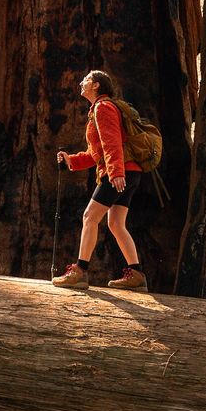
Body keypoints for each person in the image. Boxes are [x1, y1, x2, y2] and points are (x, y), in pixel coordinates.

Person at [52, 69, 148, 292]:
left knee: (89, 216)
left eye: (86, 80)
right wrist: (71, 160)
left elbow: (111, 142)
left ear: (96, 85)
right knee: (115, 223)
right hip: (129, 171)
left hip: (119, 172)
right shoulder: (99, 109)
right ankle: (136, 275)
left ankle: (79, 272)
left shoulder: (103, 107)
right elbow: (97, 153)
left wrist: (115, 173)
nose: (81, 82)